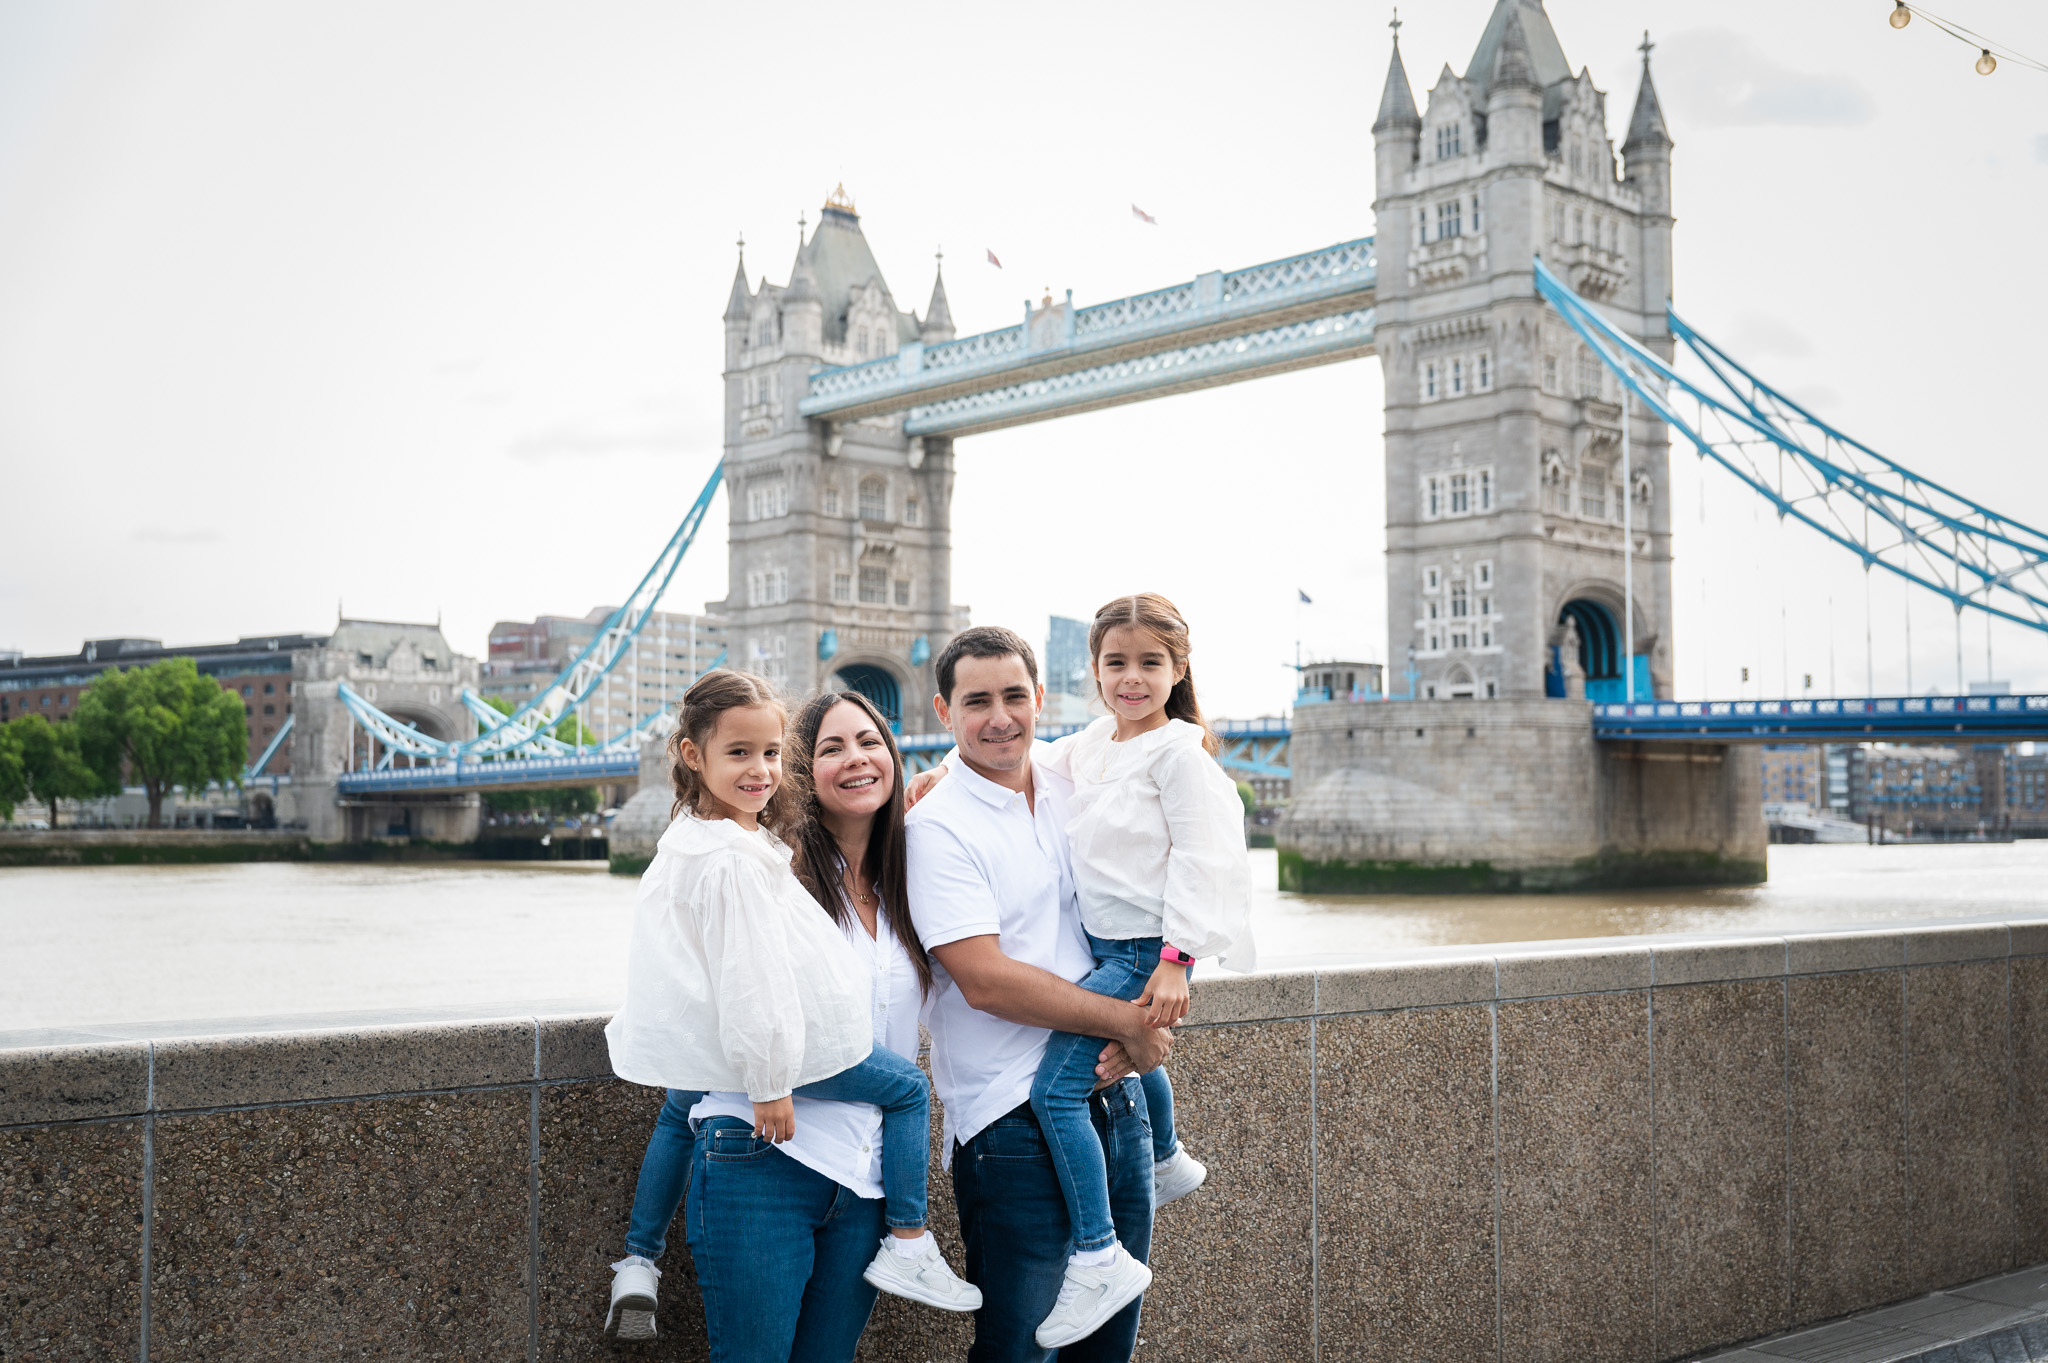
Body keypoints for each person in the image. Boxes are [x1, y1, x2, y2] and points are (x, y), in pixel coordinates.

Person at [601, 672, 979, 1356]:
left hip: (863, 1178)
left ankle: (640, 1253)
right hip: (766, 1154)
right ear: (807, 768)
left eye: (871, 741)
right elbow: (737, 994)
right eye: (834, 746)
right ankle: (640, 1251)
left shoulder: (911, 870)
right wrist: (768, 1080)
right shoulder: (763, 860)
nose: (858, 757)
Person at [913, 596, 1254, 1349]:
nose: (999, 717)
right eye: (976, 702)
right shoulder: (934, 829)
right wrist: (1133, 1026)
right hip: (1013, 1122)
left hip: (1117, 1102)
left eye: (1013, 697)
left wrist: (1167, 981)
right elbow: (987, 981)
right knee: (1021, 1347)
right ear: (945, 710)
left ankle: (1159, 1163)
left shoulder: (1078, 774)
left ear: (1040, 699)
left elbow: (1191, 863)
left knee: (1108, 1347)